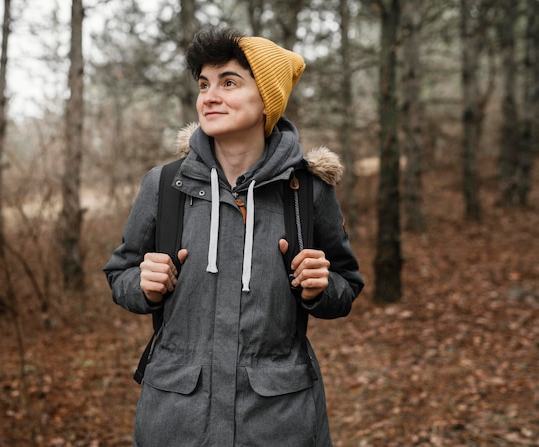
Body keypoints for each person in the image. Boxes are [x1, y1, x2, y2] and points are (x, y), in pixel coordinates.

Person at [104, 26, 364, 447]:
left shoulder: (308, 191)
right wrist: (143, 285)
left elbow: (347, 287)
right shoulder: (165, 185)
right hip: (176, 420)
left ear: (267, 97)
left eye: (229, 82)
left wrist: (320, 287)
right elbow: (120, 275)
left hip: (280, 422)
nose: (209, 95)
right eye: (203, 84)